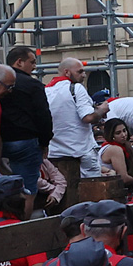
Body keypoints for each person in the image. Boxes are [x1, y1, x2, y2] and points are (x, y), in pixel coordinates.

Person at [0, 46, 52, 200]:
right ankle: (23, 222)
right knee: (27, 188)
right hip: (25, 141)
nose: (35, 66)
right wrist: (45, 142)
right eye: (32, 62)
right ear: (19, 62)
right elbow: (43, 115)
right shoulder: (32, 85)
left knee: (1, 188)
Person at [46, 57, 106, 187]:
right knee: (91, 192)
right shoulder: (76, 88)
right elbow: (88, 117)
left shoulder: (46, 91)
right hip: (81, 152)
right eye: (80, 72)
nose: (84, 75)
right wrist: (102, 110)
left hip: (55, 153)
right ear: (67, 72)